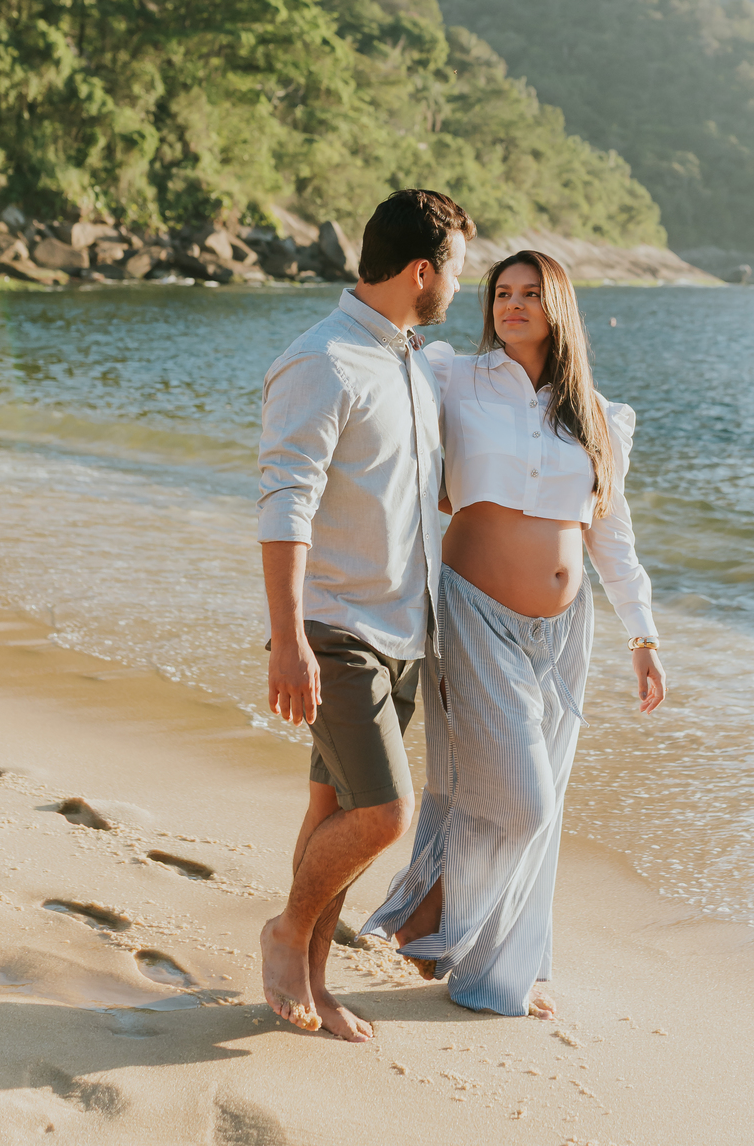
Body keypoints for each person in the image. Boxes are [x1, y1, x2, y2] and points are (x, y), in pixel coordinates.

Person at [361, 249, 666, 1018]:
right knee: (520, 797)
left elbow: (613, 538)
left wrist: (644, 636)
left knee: (539, 804)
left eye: (531, 294)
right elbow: (378, 375)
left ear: (558, 307)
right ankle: (428, 915)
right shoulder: (453, 378)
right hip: (474, 613)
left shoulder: (596, 414)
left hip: (564, 631)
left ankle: (498, 974)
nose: (513, 305)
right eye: (502, 292)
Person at [256, 187, 475, 1041]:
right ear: (423, 270)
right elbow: (284, 506)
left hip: (404, 630)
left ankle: (312, 970)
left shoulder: (415, 363)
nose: (462, 283)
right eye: (458, 267)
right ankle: (285, 931)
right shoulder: (325, 361)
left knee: (331, 809)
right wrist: (287, 640)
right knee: (383, 814)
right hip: (335, 627)